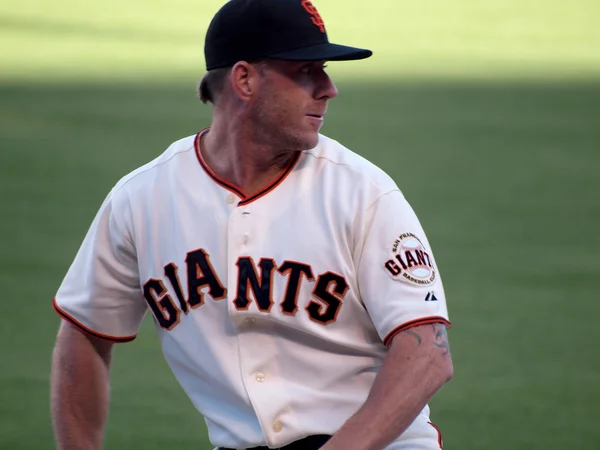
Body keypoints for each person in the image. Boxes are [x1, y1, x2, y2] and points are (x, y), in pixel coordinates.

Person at [50, 0, 453, 449]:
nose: (328, 88)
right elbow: (84, 332)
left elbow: (427, 356)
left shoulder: (362, 193)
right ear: (244, 79)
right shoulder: (141, 199)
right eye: (306, 71)